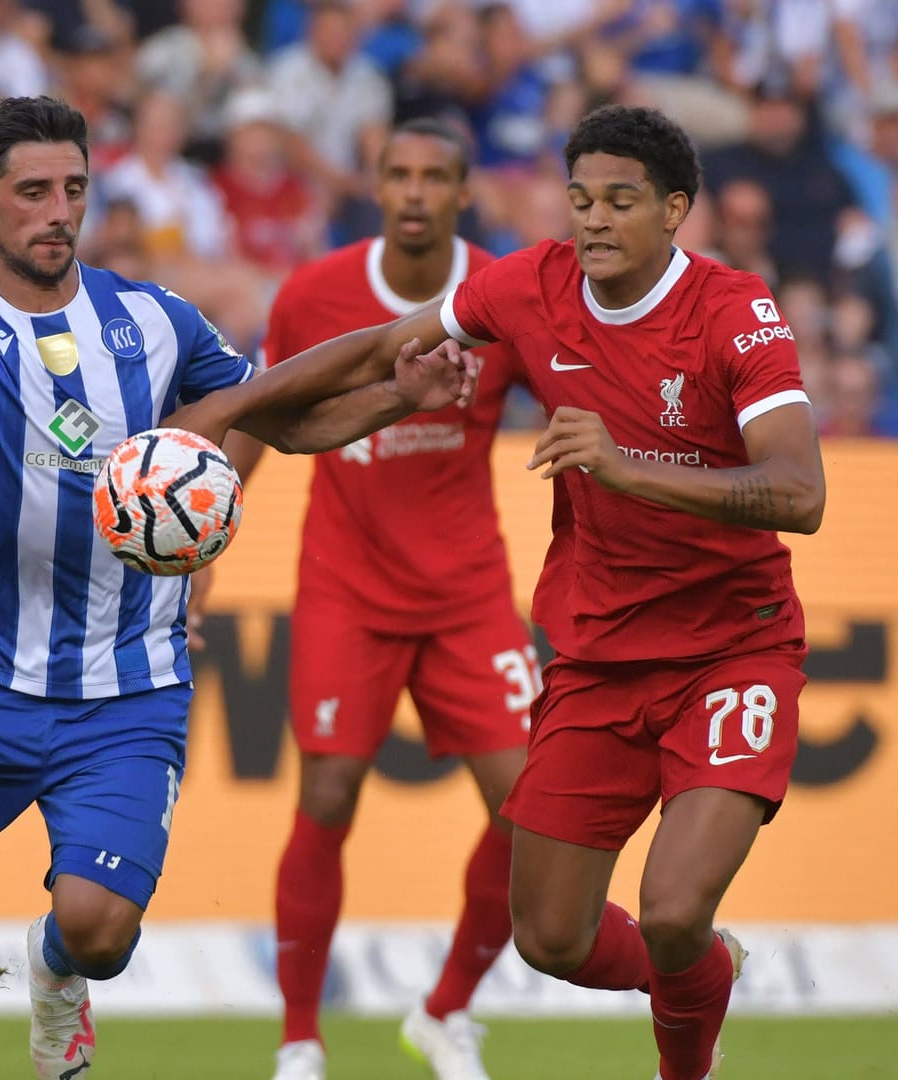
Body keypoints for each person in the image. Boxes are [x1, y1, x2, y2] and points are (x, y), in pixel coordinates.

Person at [0, 95, 475, 1080]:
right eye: (32, 193)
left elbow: (279, 418)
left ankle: (57, 983)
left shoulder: (155, 319)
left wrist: (403, 392)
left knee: (98, 931)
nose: (57, 211)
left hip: (127, 690)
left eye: (73, 190)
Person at [168, 104, 825, 1080]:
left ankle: (677, 1050)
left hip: (731, 644)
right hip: (597, 654)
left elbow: (800, 493)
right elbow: (373, 350)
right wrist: (222, 411)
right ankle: (688, 977)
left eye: (622, 201)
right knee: (550, 937)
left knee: (674, 906)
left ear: (676, 210)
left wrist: (625, 465)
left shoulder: (735, 308)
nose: (595, 220)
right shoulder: (523, 288)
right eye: (580, 200)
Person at [198, 118, 535, 1080]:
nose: (416, 191)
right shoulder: (315, 294)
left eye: (436, 176)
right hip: (348, 582)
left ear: (465, 192)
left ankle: (445, 1012)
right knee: (330, 792)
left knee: (530, 808)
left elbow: (567, 395)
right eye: (399, 174)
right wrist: (207, 543)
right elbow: (259, 416)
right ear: (376, 186)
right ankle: (301, 1039)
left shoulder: (503, 294)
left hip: (469, 588)